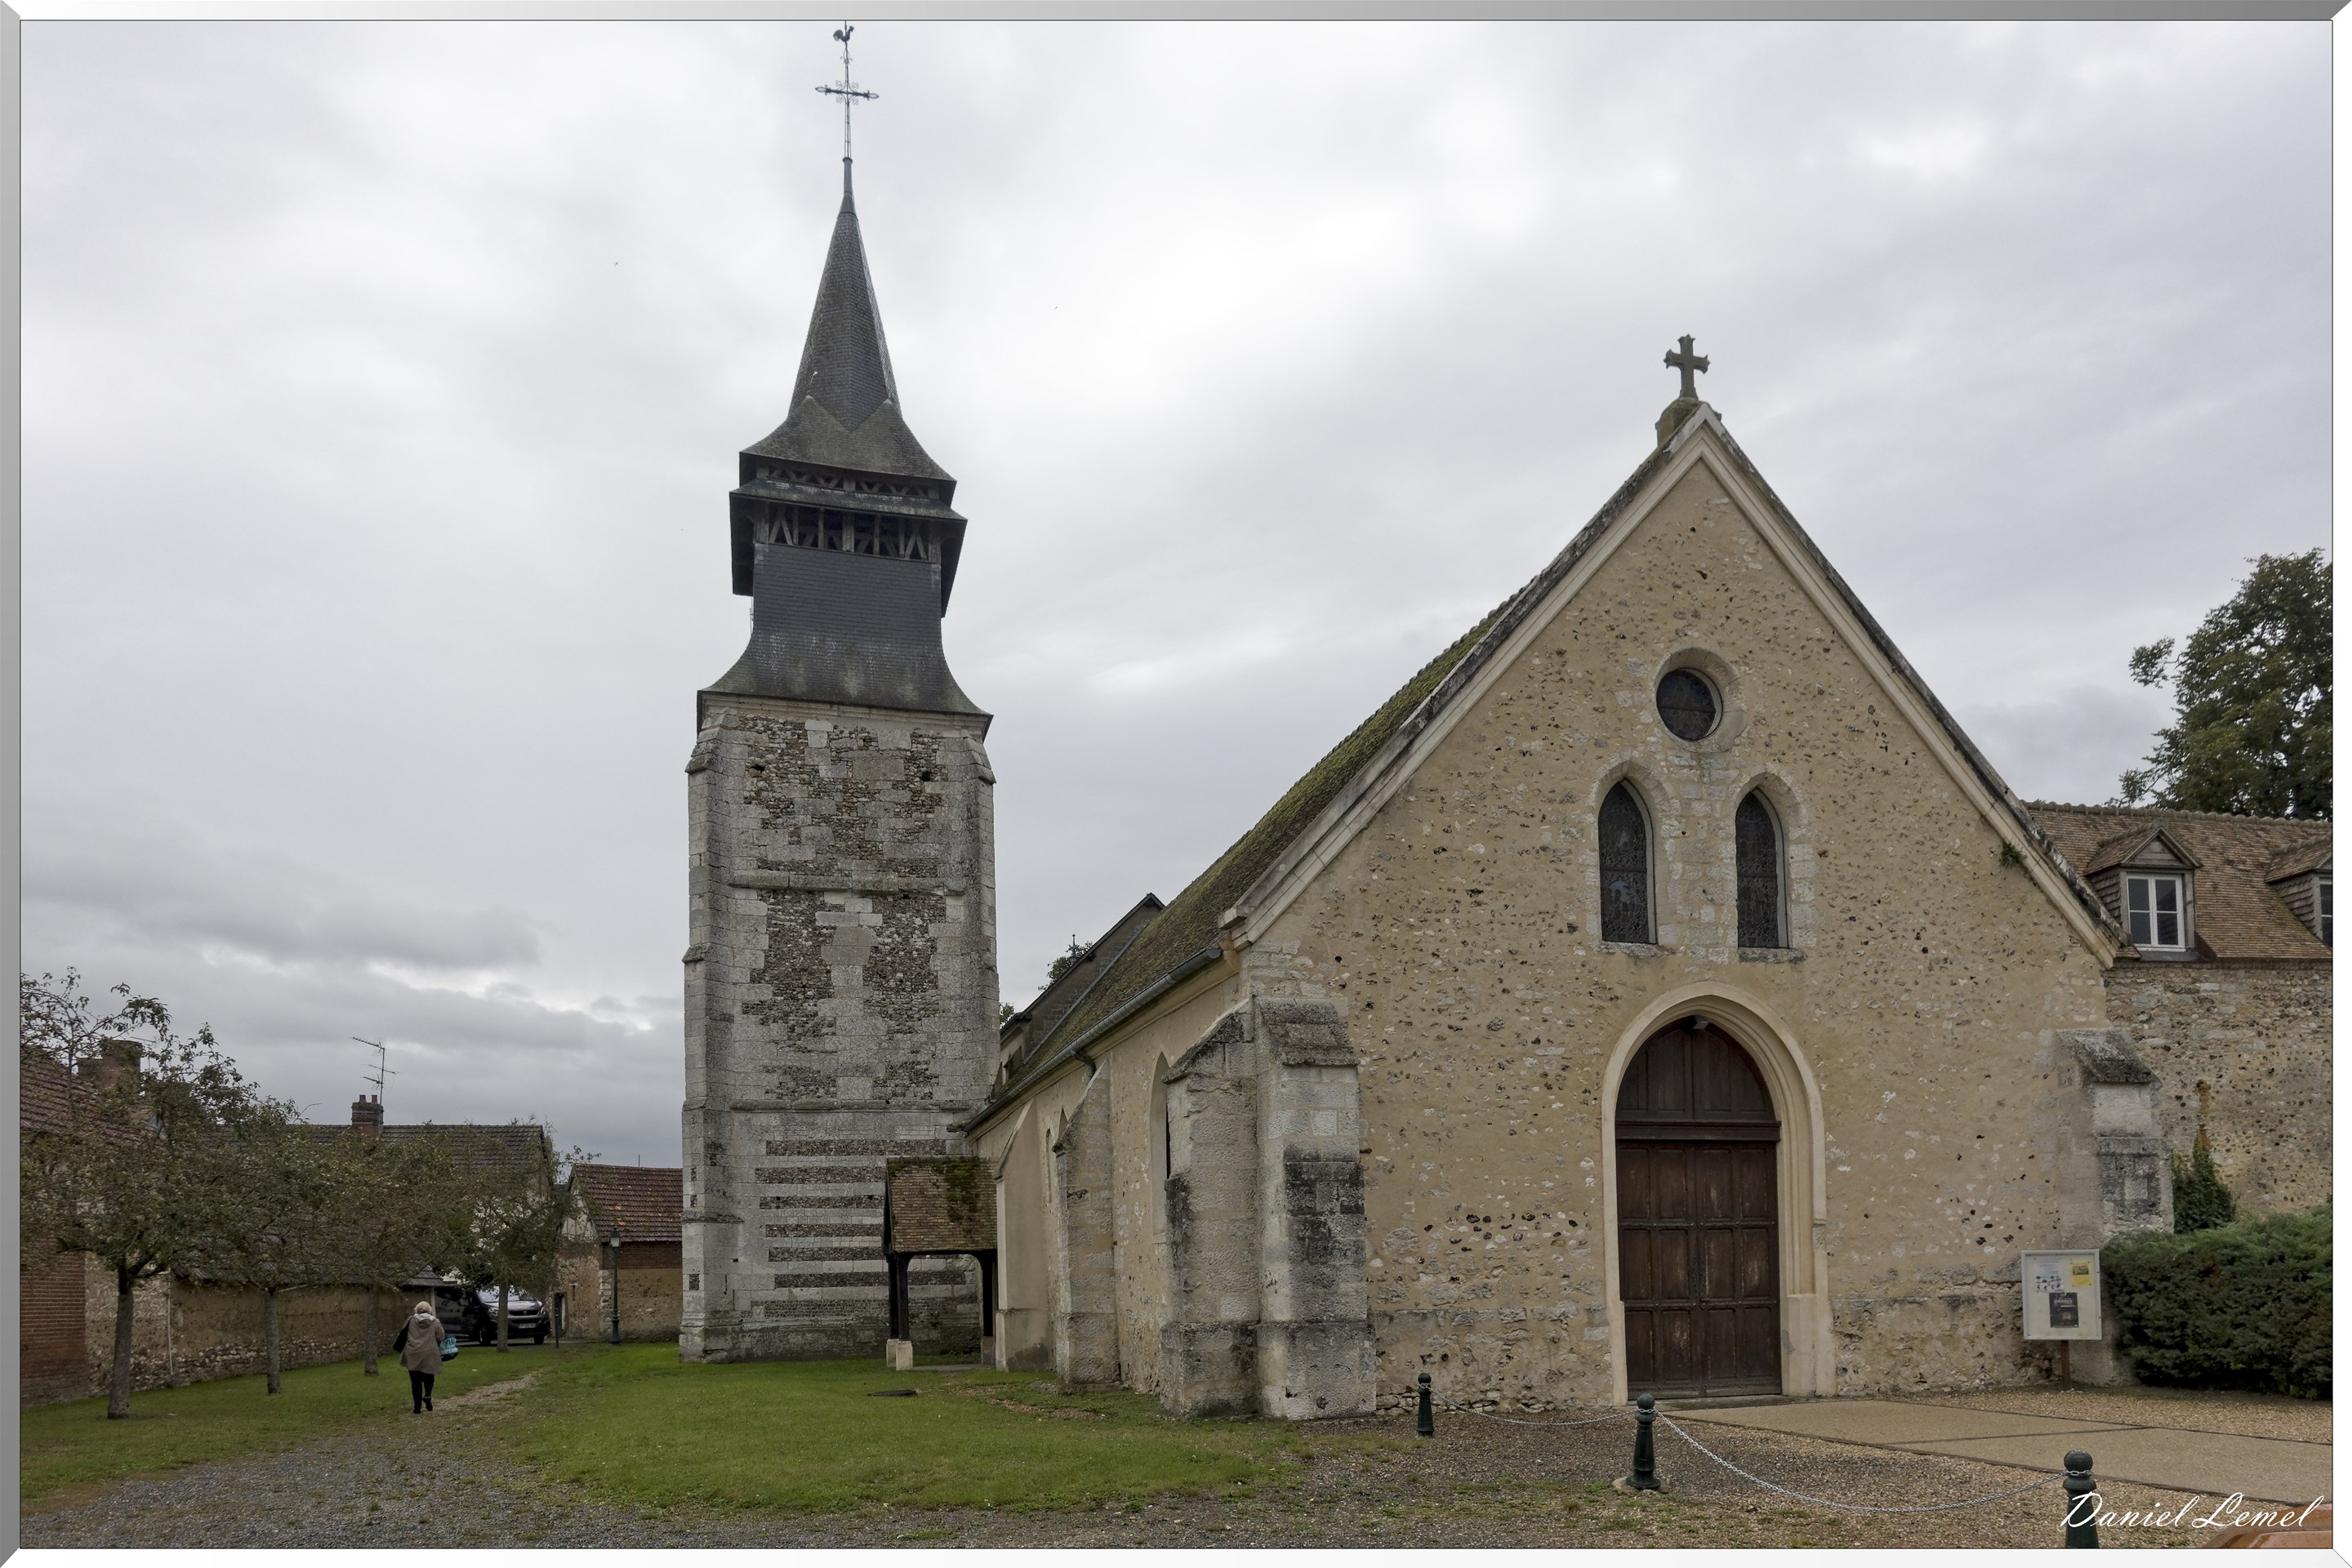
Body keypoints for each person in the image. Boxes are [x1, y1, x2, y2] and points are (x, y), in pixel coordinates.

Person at [391, 1299, 445, 1413]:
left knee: (415, 1381)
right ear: (429, 1310)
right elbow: (441, 1336)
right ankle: (428, 1395)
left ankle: (417, 1408)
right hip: (429, 1353)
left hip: (413, 1353)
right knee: (429, 1375)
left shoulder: (410, 1320)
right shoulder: (435, 1322)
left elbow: (403, 1334)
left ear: (416, 1309)